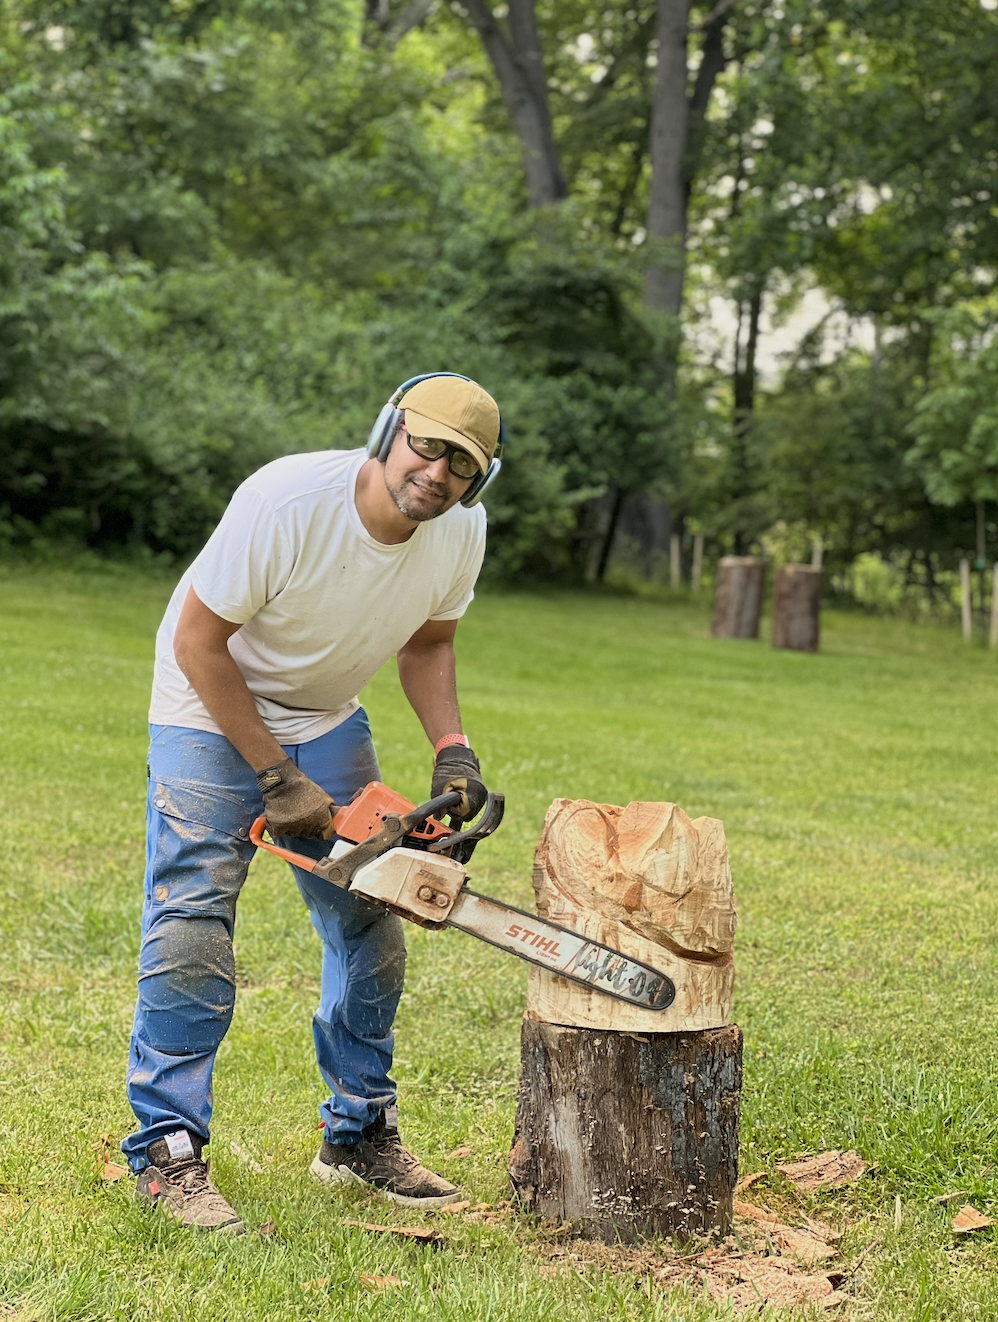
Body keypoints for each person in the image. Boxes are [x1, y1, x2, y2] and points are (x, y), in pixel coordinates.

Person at [122, 373, 501, 1234]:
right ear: (389, 431)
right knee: (192, 919)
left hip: (323, 718)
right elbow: (196, 639)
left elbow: (429, 641)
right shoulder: (288, 499)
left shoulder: (459, 533)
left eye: (463, 466)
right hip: (206, 703)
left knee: (372, 919)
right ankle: (166, 1151)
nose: (438, 474)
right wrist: (271, 773)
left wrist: (455, 750)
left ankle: (358, 1135)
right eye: (428, 445)